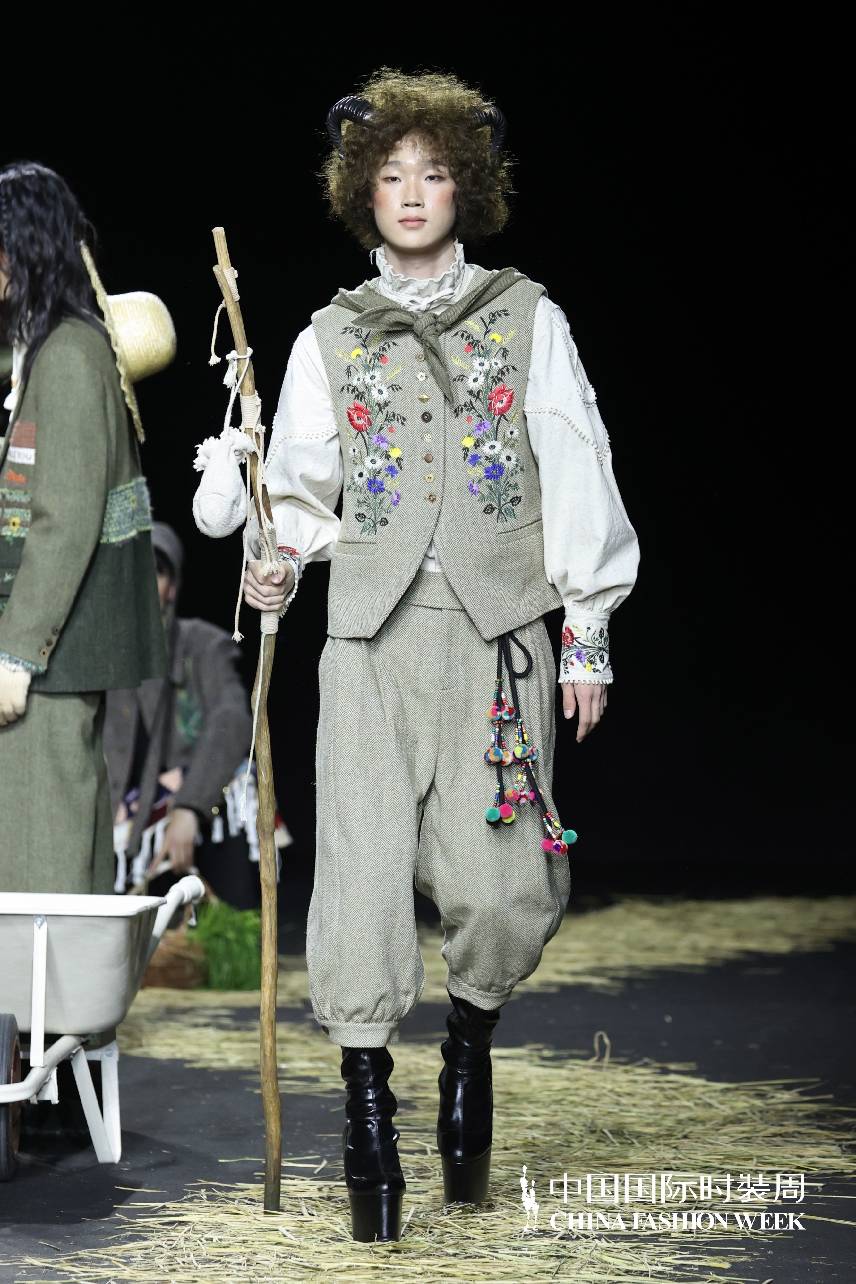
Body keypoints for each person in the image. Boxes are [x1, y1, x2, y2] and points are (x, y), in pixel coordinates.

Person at [195, 68, 640, 1242]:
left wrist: (586, 634)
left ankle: (468, 1042)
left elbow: (576, 464)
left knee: (500, 892)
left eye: (433, 173)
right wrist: (277, 561)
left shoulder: (526, 318)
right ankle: (368, 1118)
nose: (409, 192)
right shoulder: (330, 335)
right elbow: (299, 491)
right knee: (358, 878)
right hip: (370, 643)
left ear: (466, 187)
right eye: (389, 174)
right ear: (360, 188)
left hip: (498, 641)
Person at [0, 162, 170, 894]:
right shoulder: (51, 349)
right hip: (55, 653)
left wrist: (15, 657)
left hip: (50, 658)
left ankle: (54, 985)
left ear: (23, 248)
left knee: (42, 853)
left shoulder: (69, 355)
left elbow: (63, 521)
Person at [104, 521, 265, 908]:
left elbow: (231, 720)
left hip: (191, 804)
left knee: (237, 789)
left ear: (171, 587)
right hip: (119, 816)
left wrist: (190, 806)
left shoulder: (202, 645)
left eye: (155, 572)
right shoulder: (99, 658)